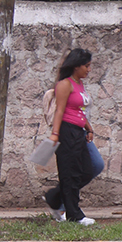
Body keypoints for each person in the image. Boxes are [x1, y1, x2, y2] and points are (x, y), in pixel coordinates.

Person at [43, 48, 97, 225]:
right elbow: (60, 110)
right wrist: (55, 134)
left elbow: (79, 110)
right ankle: (74, 214)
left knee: (86, 170)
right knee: (70, 173)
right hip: (67, 131)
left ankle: (54, 197)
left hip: (79, 131)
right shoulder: (65, 84)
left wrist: (89, 128)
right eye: (86, 66)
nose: (89, 70)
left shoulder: (79, 84)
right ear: (76, 66)